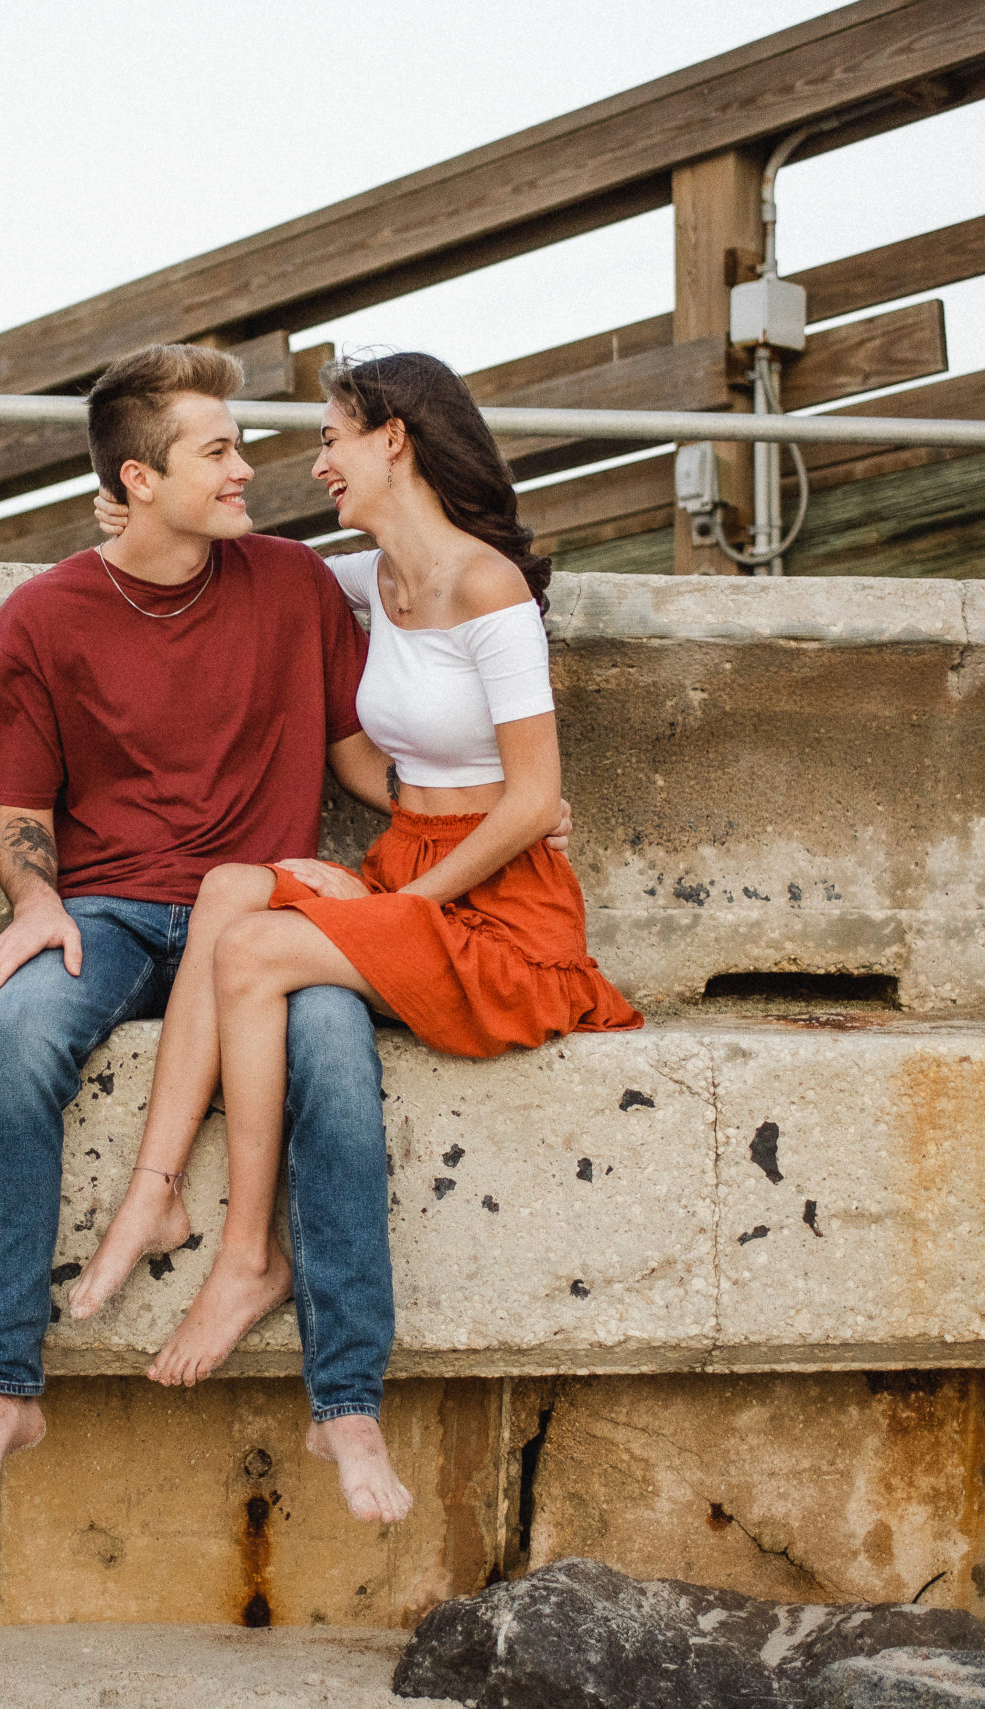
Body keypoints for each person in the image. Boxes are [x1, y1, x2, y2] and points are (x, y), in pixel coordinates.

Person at [68, 350, 642, 1393]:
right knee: (227, 888)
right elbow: (222, 565)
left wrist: (394, 905)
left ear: (393, 438)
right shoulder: (360, 580)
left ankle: (250, 1257)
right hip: (408, 863)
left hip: (496, 907)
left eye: (331, 438)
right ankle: (155, 1187)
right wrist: (131, 514)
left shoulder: (488, 584)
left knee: (253, 948)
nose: (317, 462)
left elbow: (526, 799)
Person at [0, 342, 417, 1526]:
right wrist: (37, 904)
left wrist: (489, 814)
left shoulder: (294, 584)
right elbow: (20, 817)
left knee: (340, 1064)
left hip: (257, 917)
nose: (248, 470)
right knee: (18, 1032)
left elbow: (360, 760)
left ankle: (346, 1397)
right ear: (138, 480)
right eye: (220, 451)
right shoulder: (40, 620)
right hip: (108, 910)